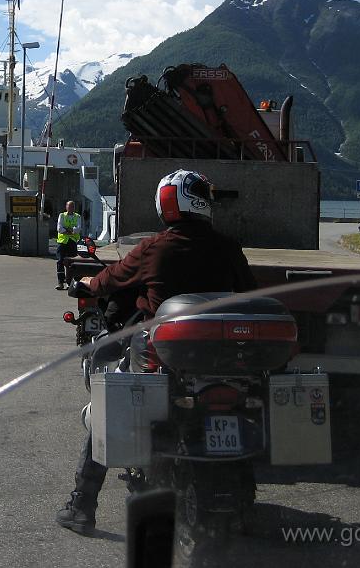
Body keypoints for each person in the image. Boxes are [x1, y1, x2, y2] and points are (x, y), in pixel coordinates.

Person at [55, 169, 256, 535]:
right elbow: (248, 294)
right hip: (224, 359)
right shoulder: (228, 247)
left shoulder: (154, 248)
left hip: (163, 358)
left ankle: (82, 505)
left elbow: (108, 280)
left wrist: (85, 281)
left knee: (107, 408)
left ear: (167, 203)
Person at [54, 200, 82, 290]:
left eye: (72, 206)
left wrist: (67, 230)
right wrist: (70, 230)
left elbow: (78, 229)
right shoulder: (62, 215)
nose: (71, 208)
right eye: (69, 206)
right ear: (66, 207)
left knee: (72, 263)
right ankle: (60, 282)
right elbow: (59, 228)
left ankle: (69, 282)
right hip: (62, 241)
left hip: (72, 241)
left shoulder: (77, 216)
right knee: (60, 261)